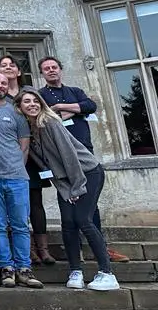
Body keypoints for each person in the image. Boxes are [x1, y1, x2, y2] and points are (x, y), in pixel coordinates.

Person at [16, 89, 120, 291]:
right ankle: (76, 271)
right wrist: (65, 189)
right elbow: (49, 167)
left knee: (83, 220)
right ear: (19, 107)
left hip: (86, 173)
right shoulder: (30, 131)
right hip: (66, 181)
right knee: (68, 224)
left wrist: (77, 187)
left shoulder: (50, 122)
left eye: (35, 101)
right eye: (26, 102)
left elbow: (69, 156)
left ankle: (107, 273)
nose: (32, 105)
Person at [38, 56, 128, 263]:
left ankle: (101, 249)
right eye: (46, 69)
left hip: (85, 154)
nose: (51, 71)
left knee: (90, 203)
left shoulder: (74, 91)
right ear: (42, 73)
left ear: (60, 70)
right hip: (62, 158)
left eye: (54, 67)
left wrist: (61, 107)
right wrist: (70, 111)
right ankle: (75, 249)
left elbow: (90, 105)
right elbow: (48, 118)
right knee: (67, 201)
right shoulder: (41, 95)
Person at [0, 72, 42, 289]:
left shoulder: (16, 112)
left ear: (8, 86)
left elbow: (24, 145)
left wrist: (15, 166)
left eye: (3, 83)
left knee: (21, 226)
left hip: (17, 178)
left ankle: (24, 268)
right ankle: (6, 268)